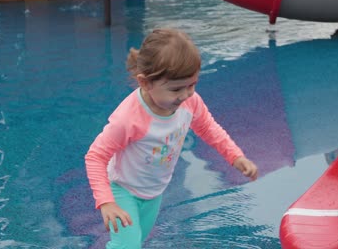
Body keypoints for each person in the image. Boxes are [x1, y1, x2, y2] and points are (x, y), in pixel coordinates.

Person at [85, 28, 258, 248]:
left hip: (153, 191)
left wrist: (235, 156)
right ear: (145, 83)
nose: (185, 95)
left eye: (192, 85)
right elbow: (96, 156)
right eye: (176, 89)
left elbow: (208, 128)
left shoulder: (190, 102)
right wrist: (107, 201)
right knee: (127, 246)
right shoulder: (129, 119)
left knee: (136, 241)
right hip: (122, 188)